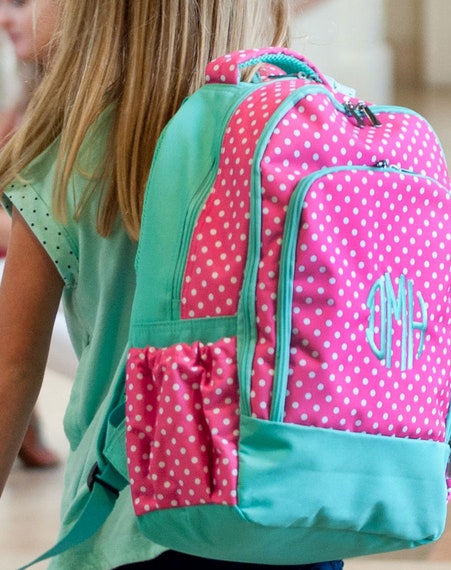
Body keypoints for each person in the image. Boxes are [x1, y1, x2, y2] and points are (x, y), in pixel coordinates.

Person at [0, 1, 342, 568]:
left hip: (128, 525)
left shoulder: (72, 158)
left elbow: (11, 368)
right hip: (288, 514)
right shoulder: (316, 134)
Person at [0, 0, 61, 468]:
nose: (4, 17)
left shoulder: (69, 123)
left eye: (21, 2)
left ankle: (26, 423)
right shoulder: (24, 103)